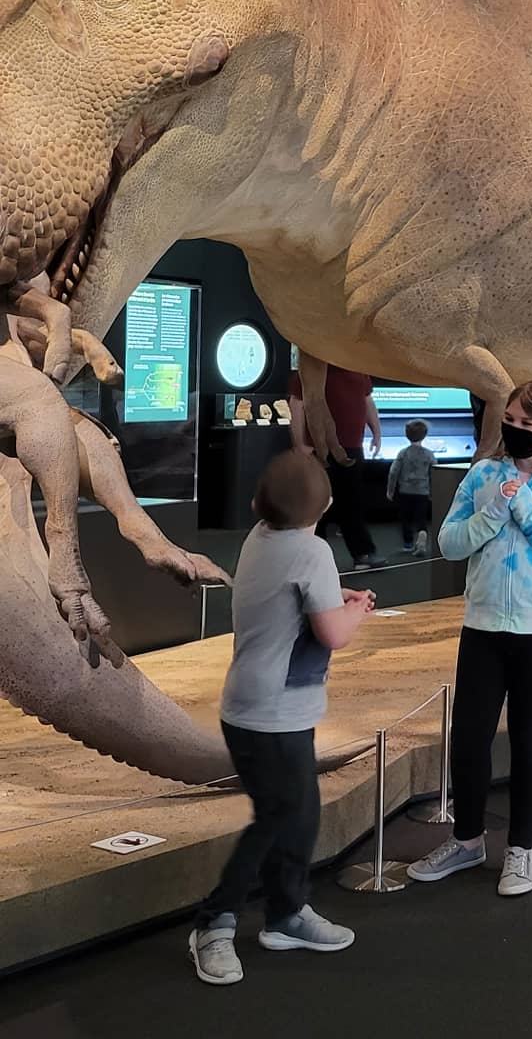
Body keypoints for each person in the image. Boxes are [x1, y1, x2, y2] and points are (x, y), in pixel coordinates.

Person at [408, 380, 532, 897]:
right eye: (510, 420)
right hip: (485, 624)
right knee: (470, 734)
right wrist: (492, 511)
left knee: (530, 734)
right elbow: (450, 544)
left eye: (526, 424)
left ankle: (520, 850)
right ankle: (468, 839)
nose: (514, 430)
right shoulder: (483, 473)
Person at [188, 451, 375, 986]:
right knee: (276, 819)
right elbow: (333, 633)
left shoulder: (260, 537)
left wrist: (338, 596)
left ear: (256, 503)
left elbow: (293, 595)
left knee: (298, 814)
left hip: (266, 711)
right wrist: (357, 610)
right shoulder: (313, 550)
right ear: (329, 505)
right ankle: (213, 922)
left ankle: (286, 913)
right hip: (270, 716)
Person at [289, 365, 382, 570]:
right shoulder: (310, 370)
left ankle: (362, 553)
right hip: (318, 447)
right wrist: (300, 444)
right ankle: (312, 558)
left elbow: (367, 400)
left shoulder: (358, 369)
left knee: (352, 501)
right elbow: (297, 405)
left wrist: (376, 431)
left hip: (351, 447)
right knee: (315, 503)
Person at [387, 418, 436, 557]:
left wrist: (390, 490)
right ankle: (422, 537)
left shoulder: (403, 453)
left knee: (405, 518)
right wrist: (433, 491)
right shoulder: (429, 454)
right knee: (421, 518)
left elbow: (393, 472)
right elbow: (434, 473)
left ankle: (408, 544)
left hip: (405, 491)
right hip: (423, 491)